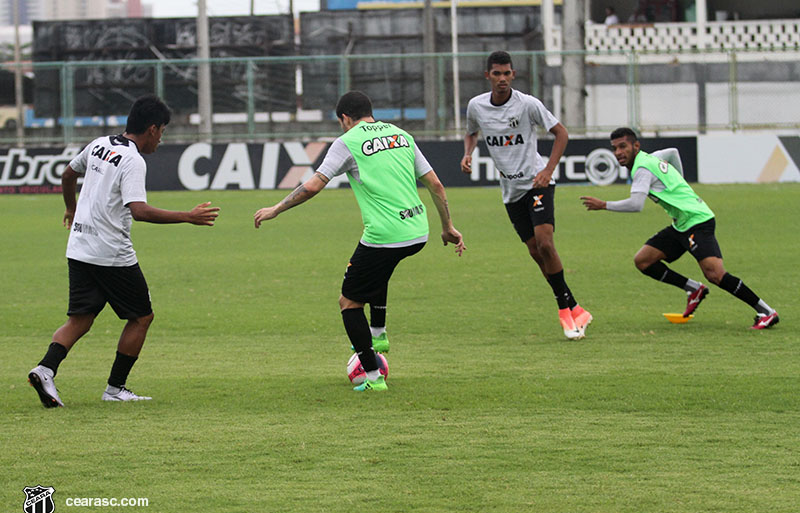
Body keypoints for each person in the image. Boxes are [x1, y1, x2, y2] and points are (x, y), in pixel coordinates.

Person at [254, 90, 465, 392]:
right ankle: (378, 332)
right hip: (418, 230)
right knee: (380, 268)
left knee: (349, 302)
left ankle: (372, 377)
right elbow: (435, 184)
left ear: (344, 118)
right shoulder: (401, 135)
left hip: (385, 234)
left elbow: (313, 186)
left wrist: (276, 209)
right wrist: (448, 227)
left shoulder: (347, 141)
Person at [28, 95, 220, 408]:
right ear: (153, 129)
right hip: (111, 253)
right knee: (142, 316)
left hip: (79, 247)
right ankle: (115, 388)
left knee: (81, 318)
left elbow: (67, 175)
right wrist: (188, 216)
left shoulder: (99, 144)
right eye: (163, 131)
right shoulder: (132, 160)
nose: (162, 138)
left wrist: (70, 208)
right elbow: (139, 211)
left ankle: (45, 369)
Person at [580, 127, 778, 329]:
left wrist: (603, 205)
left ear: (636, 146)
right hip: (681, 224)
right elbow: (673, 152)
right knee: (643, 261)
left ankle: (766, 311)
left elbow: (636, 204)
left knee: (715, 274)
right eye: (614, 148)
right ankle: (694, 289)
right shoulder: (652, 157)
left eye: (623, 146)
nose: (618, 153)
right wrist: (679, 185)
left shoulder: (642, 169)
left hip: (698, 221)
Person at [461, 50, 592, 340]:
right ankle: (576, 307)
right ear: (488, 76)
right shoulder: (477, 106)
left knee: (545, 243)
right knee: (536, 253)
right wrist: (468, 153)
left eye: (507, 73)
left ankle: (565, 313)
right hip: (511, 192)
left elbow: (562, 133)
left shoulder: (528, 105)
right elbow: (471, 131)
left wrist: (548, 169)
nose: (503, 79)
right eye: (497, 73)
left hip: (537, 183)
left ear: (513, 75)